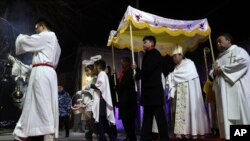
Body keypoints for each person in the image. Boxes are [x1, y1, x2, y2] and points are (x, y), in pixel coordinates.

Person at [13, 18, 61, 141]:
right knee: (38, 103)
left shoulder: (47, 35)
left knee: (41, 103)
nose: (36, 31)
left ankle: (45, 133)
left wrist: (20, 37)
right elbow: (44, 60)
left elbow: (26, 42)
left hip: (42, 74)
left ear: (42, 26)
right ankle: (28, 133)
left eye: (37, 28)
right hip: (48, 73)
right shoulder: (56, 42)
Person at [209, 33, 250, 140]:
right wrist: (213, 73)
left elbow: (244, 62)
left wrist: (222, 69)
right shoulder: (218, 58)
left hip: (237, 90)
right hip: (223, 94)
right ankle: (229, 136)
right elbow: (212, 72)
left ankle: (242, 136)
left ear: (228, 41)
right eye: (216, 42)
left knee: (240, 116)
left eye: (220, 41)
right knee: (226, 117)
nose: (217, 44)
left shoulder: (239, 51)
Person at [166, 45, 209, 140]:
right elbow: (176, 77)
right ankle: (183, 132)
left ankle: (194, 131)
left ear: (180, 55)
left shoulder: (189, 63)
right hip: (180, 93)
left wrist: (172, 76)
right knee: (182, 112)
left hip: (190, 94)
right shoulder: (176, 67)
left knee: (190, 110)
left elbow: (184, 75)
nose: (173, 59)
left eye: (174, 56)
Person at [133, 35, 169, 141]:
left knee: (159, 118)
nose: (143, 44)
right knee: (147, 118)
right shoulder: (148, 55)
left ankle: (164, 138)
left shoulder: (154, 54)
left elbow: (148, 70)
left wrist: (138, 74)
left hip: (154, 92)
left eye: (145, 42)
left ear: (152, 43)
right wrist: (138, 70)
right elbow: (147, 71)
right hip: (149, 93)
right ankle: (144, 138)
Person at [90, 59, 116, 141]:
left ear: (98, 66)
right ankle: (109, 138)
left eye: (94, 66)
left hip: (102, 101)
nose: (94, 68)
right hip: (102, 100)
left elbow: (101, 86)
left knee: (100, 121)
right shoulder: (102, 74)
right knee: (103, 121)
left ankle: (103, 138)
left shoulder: (102, 74)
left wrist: (92, 86)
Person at [115, 57, 137, 141]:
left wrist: (118, 87)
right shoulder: (123, 73)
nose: (121, 64)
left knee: (129, 119)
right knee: (125, 119)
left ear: (127, 62)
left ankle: (131, 136)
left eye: (122, 62)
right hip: (123, 99)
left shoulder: (130, 71)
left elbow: (126, 83)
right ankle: (128, 135)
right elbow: (120, 82)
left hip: (128, 100)